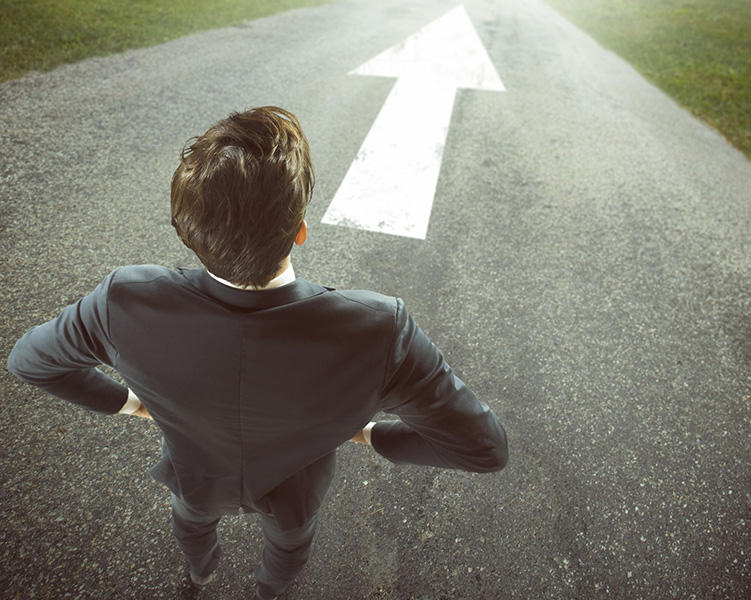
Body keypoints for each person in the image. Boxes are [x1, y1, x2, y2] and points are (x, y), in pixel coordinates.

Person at [7, 106, 508, 599]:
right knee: (290, 547)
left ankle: (200, 573)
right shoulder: (379, 330)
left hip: (195, 474)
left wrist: (128, 403)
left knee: (191, 522)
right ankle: (270, 591)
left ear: (187, 233)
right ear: (301, 231)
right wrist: (372, 436)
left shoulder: (123, 301)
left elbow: (29, 362)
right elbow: (483, 450)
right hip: (294, 490)